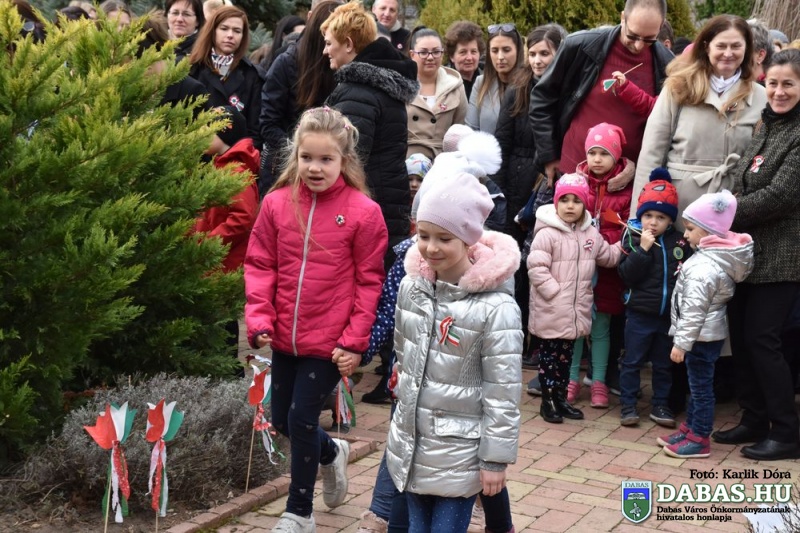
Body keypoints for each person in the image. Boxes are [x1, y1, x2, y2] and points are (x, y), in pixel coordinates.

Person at [244, 107, 388, 532]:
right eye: (307, 157)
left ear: (344, 160)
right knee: (282, 420)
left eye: (326, 159)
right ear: (295, 156)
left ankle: (299, 512)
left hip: (330, 342)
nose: (315, 167)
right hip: (284, 337)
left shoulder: (363, 212)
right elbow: (260, 264)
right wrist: (259, 317)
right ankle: (331, 452)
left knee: (302, 418)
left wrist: (354, 342)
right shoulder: (276, 204)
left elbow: (369, 283)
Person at [385, 171, 523, 533]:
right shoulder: (412, 288)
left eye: (444, 238)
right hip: (413, 445)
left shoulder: (496, 309)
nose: (431, 248)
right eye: (423, 235)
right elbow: (402, 353)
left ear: (468, 238)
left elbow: (503, 392)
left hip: (460, 450)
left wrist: (494, 460)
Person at [715, 49, 800, 461]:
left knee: (763, 341)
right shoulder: (767, 124)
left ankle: (786, 432)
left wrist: (722, 213)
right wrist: (727, 205)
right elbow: (744, 181)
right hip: (747, 254)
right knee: (744, 338)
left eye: (789, 84)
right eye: (773, 83)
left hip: (784, 257)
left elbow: (781, 195)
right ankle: (753, 418)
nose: (779, 92)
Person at [631, 15, 767, 224]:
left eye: (736, 46)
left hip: (732, 211)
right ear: (706, 47)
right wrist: (638, 219)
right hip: (677, 211)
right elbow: (652, 152)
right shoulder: (678, 88)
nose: (728, 53)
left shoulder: (761, 97)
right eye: (721, 46)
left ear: (747, 48)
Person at [530, 0, 674, 185]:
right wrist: (549, 155)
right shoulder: (581, 45)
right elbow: (542, 98)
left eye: (649, 39)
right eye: (632, 35)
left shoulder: (668, 64)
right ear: (623, 18)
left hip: (628, 179)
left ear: (661, 26)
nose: (639, 45)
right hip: (574, 173)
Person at [659, 190, 753, 458]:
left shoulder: (704, 267)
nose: (685, 235)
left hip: (700, 337)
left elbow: (694, 310)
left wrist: (681, 343)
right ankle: (690, 429)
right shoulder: (709, 258)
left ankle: (699, 438)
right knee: (697, 386)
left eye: (691, 229)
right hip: (704, 335)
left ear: (710, 232)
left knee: (700, 390)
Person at [493, 24, 566, 370]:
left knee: (548, 267)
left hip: (553, 190)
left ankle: (544, 342)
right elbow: (502, 144)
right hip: (517, 189)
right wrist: (501, 195)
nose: (537, 60)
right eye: (533, 53)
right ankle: (517, 336)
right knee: (519, 269)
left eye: (545, 54)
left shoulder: (569, 90)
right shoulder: (518, 90)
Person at [322, 1, 418, 255]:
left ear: (348, 44)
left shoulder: (358, 92)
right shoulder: (375, 85)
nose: (325, 51)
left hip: (367, 208)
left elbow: (349, 161)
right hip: (385, 204)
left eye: (329, 43)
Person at [528, 174, 622, 424]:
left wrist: (625, 244)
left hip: (575, 311)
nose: (570, 206)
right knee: (549, 359)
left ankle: (560, 398)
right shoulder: (547, 234)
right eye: (565, 200)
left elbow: (608, 256)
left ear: (585, 204)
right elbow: (536, 268)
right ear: (556, 203)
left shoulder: (590, 233)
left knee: (566, 358)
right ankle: (547, 401)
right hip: (552, 309)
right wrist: (555, 293)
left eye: (576, 201)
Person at [564, 123, 634, 409]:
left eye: (604, 153)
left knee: (601, 326)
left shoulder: (627, 191)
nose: (596, 159)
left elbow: (628, 230)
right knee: (575, 327)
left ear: (615, 156)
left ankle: (599, 381)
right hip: (577, 270)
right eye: (592, 152)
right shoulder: (576, 184)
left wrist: (601, 239)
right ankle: (571, 379)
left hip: (606, 271)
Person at [618, 168, 691, 427]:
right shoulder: (633, 238)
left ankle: (660, 404)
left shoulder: (680, 242)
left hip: (667, 317)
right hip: (639, 314)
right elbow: (627, 275)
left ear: (670, 220)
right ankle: (628, 404)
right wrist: (643, 250)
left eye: (661, 217)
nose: (653, 222)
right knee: (632, 361)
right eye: (648, 215)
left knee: (663, 364)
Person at [258, 0, 340, 195]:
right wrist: (303, 153)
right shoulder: (286, 63)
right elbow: (268, 123)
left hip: (330, 172)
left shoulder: (343, 66)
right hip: (284, 170)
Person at [189, 6, 265, 148]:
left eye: (237, 31)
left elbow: (255, 132)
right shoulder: (192, 69)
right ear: (213, 31)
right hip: (195, 152)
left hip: (235, 155)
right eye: (224, 29)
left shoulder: (251, 75)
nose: (230, 35)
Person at [405, 26, 468, 159]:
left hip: (443, 160)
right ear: (412, 55)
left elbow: (461, 129)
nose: (430, 57)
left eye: (436, 52)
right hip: (406, 158)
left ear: (442, 54)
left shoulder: (455, 85)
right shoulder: (399, 84)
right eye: (423, 52)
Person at [466, 23, 522, 135]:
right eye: (495, 51)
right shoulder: (481, 83)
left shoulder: (529, 85)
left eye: (506, 50)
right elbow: (471, 131)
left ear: (517, 50)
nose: (500, 57)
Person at [443, 21, 484, 100]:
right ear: (452, 56)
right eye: (463, 52)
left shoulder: (487, 80)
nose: (469, 58)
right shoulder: (443, 83)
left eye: (473, 51)